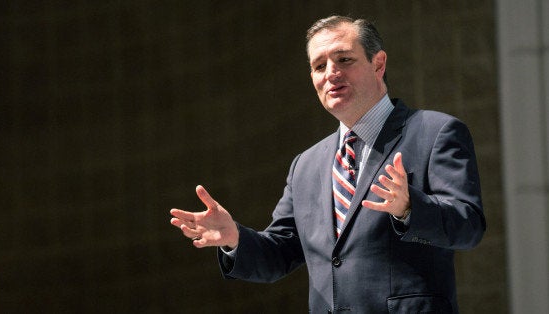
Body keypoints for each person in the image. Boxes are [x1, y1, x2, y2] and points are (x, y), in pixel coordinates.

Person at [170, 15, 486, 313]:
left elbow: (468, 226)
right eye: (319, 66)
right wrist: (234, 238)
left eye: (344, 59)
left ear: (378, 64)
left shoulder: (434, 132)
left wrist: (409, 207)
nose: (331, 73)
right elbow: (279, 253)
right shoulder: (305, 166)